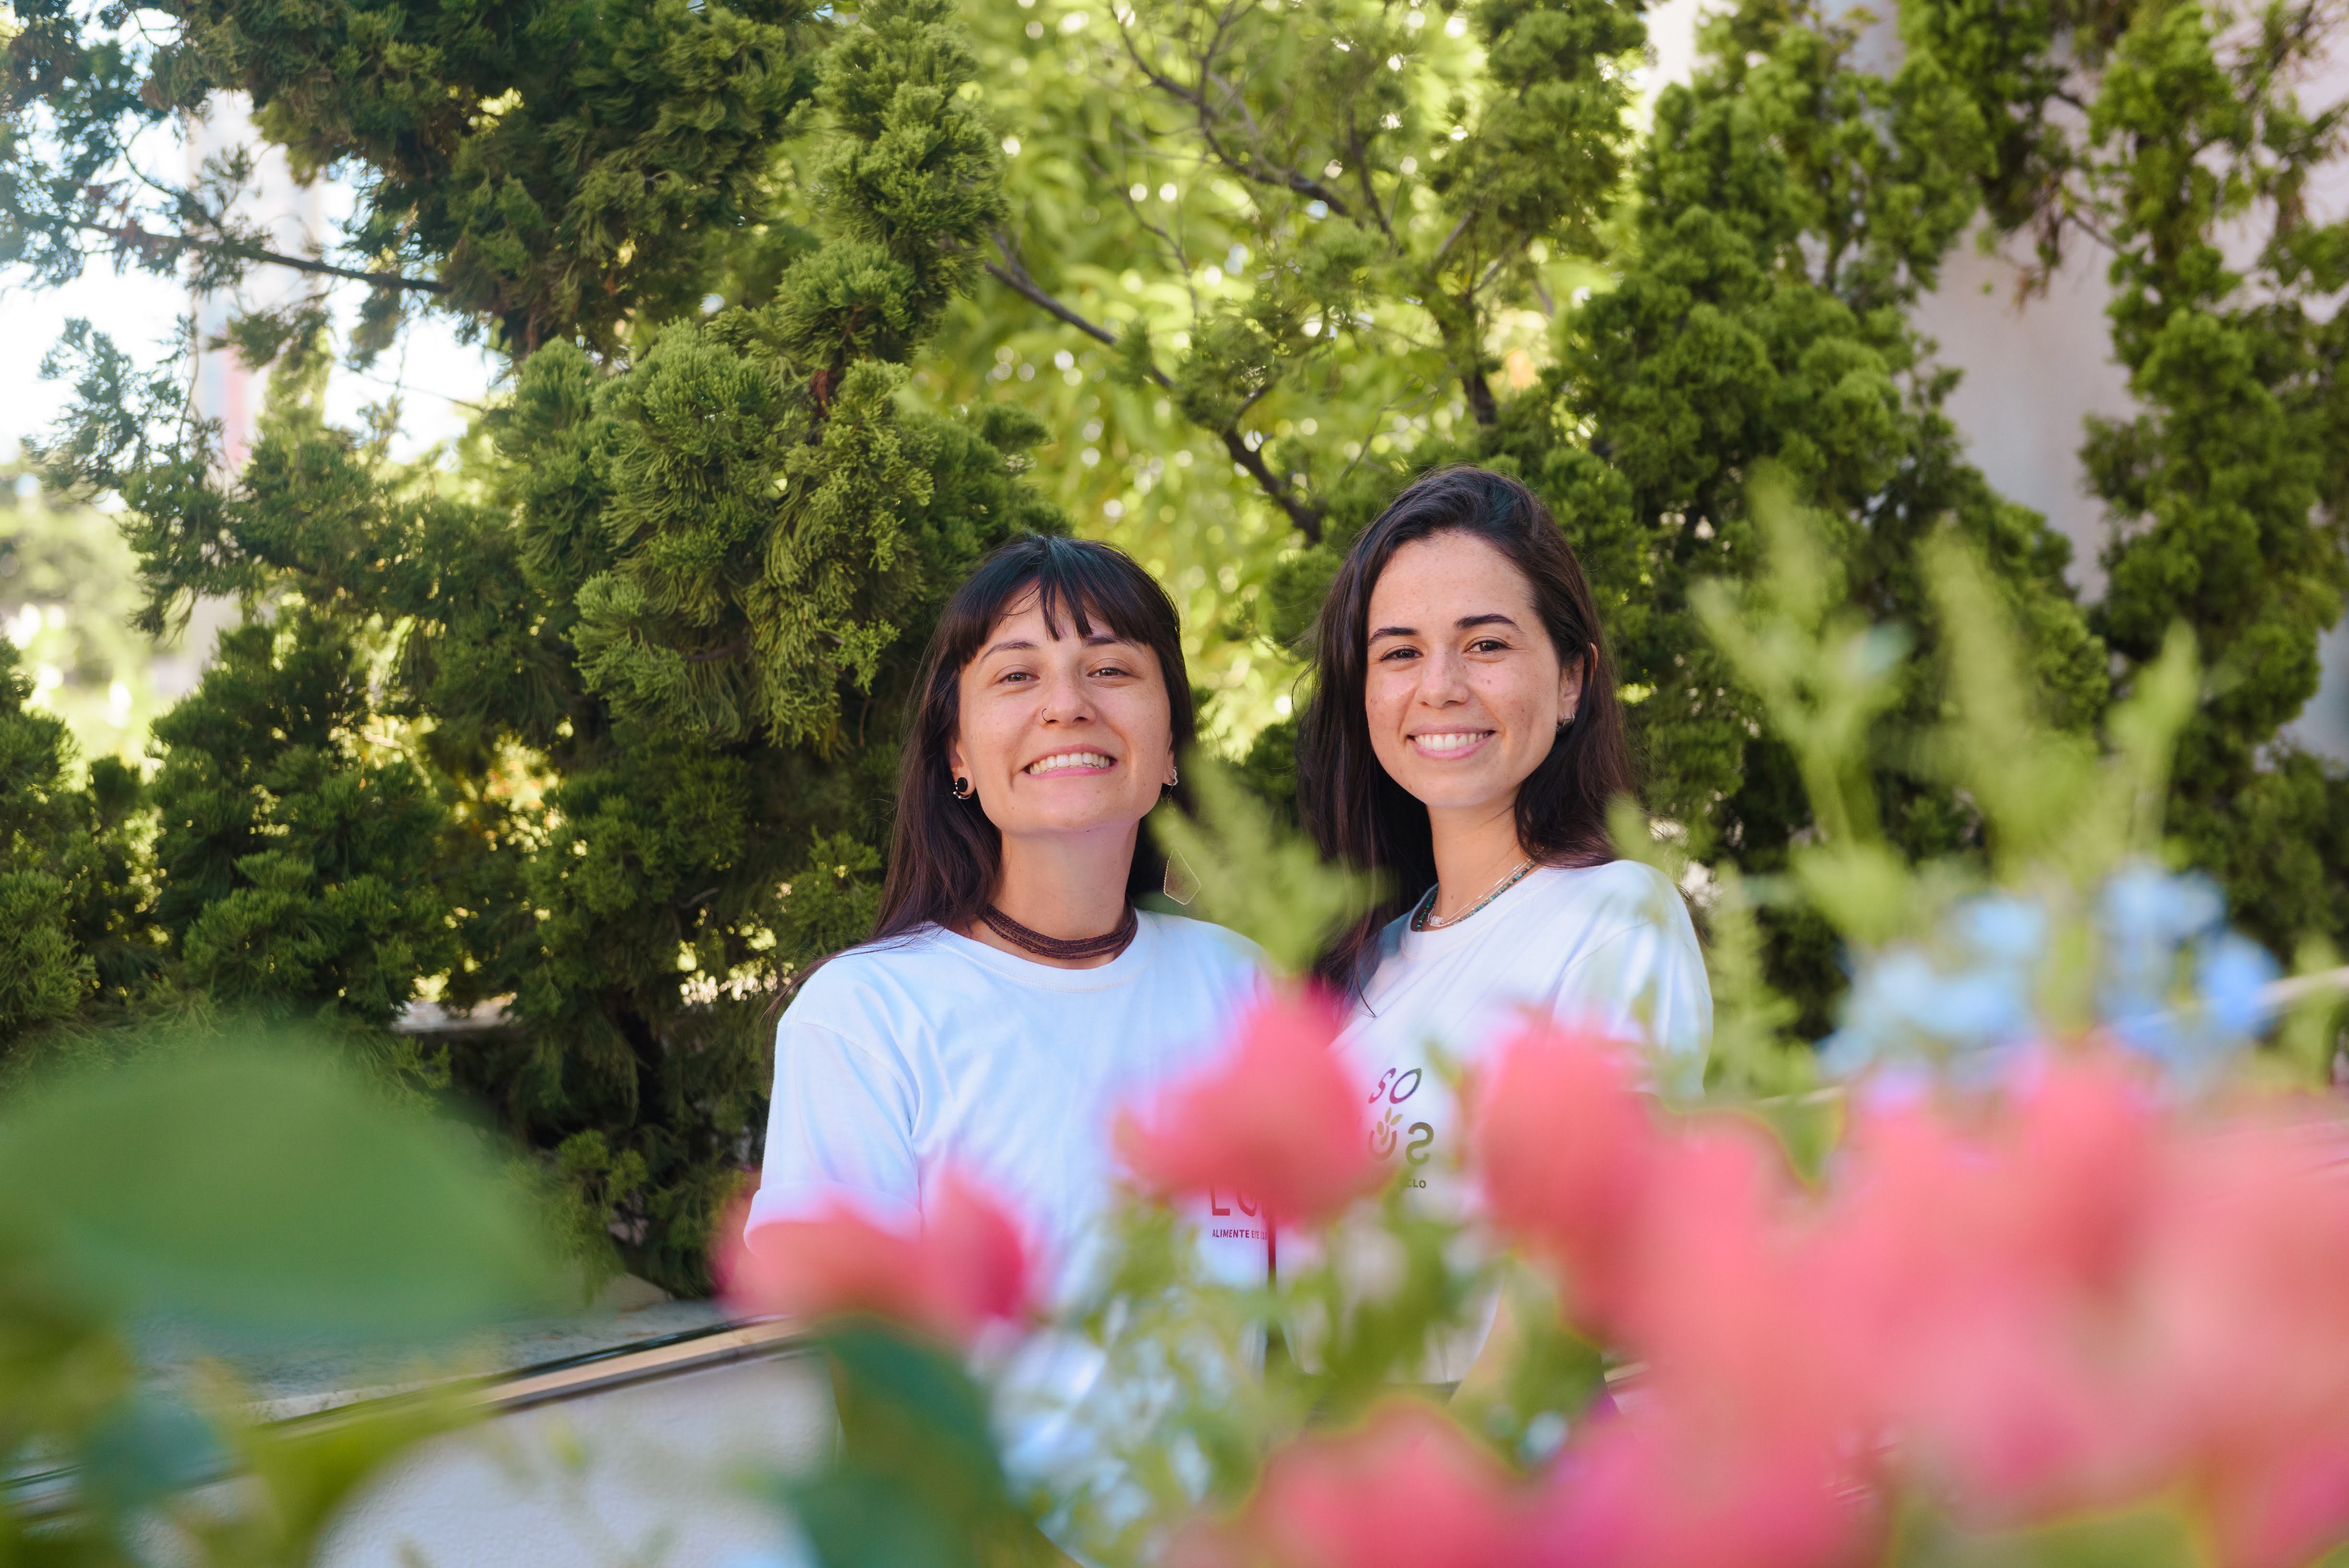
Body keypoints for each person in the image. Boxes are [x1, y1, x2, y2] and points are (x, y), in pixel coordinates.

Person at [742, 535, 1267, 1521]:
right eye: (1018, 674)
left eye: (1111, 669)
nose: (1067, 704)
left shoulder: (1246, 989)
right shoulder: (867, 1017)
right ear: (958, 754)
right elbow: (870, 1394)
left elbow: (1304, 1333)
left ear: (1169, 748)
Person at [1297, 465, 1710, 1379]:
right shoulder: (1362, 960)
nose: (1440, 687)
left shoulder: (1616, 917)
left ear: (1571, 681)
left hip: (1496, 1443)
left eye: (1484, 644)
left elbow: (1579, 1272)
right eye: (1399, 654)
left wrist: (1451, 1457)